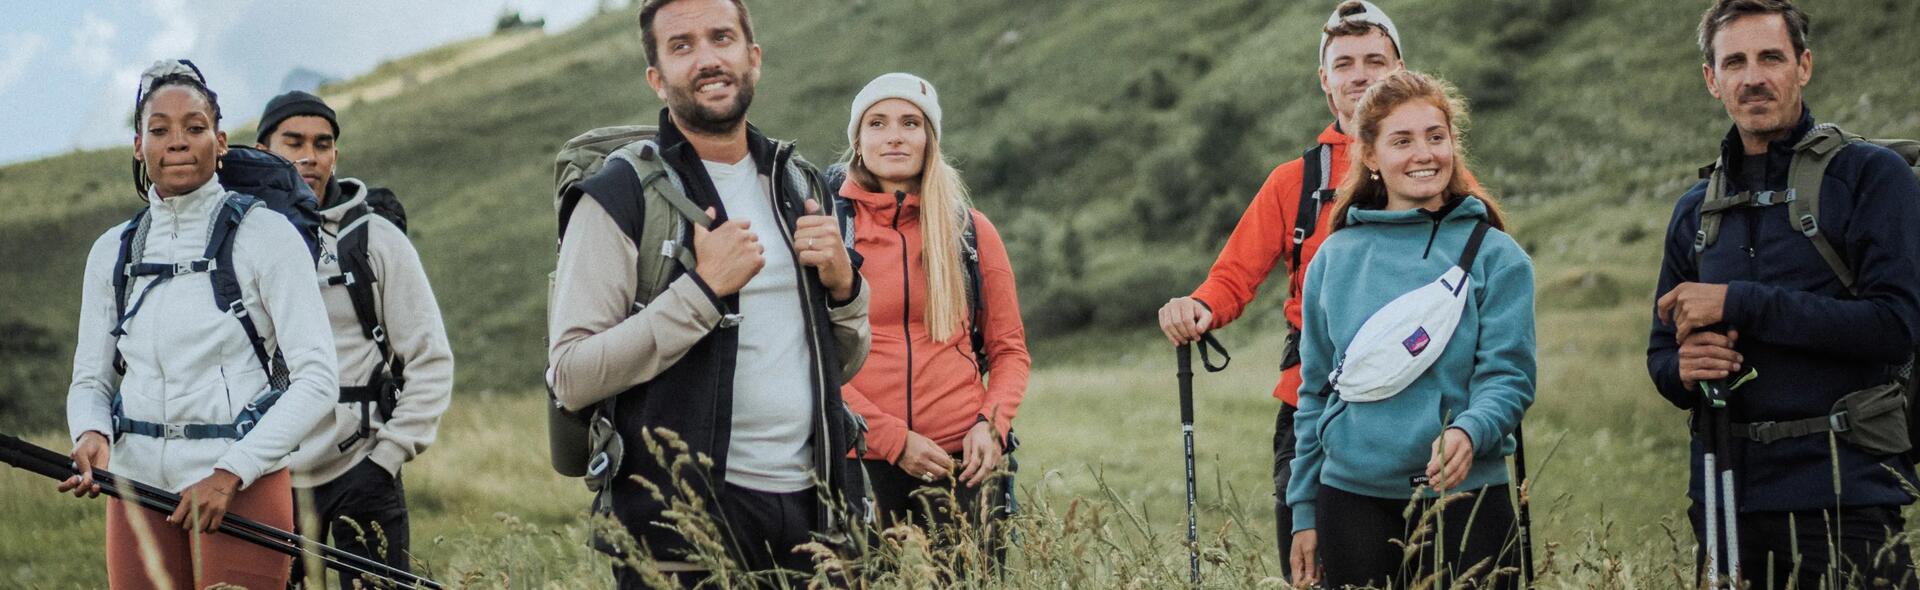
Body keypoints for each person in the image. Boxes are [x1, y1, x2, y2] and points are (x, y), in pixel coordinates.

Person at [546, 0, 871, 586]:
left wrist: (845, 288)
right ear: (656, 79)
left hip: (816, 518)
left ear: (753, 58)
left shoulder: (796, 184)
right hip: (679, 531)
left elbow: (838, 365)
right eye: (681, 46)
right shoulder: (619, 196)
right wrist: (702, 291)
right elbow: (571, 375)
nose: (707, 59)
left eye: (721, 38)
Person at [1647, 1, 1920, 587]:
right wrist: (1685, 369)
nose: (1753, 78)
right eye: (1735, 62)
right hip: (1726, 499)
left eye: (1771, 57)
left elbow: (1895, 327)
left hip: (1848, 497)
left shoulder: (1871, 177)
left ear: (1804, 65)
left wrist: (1738, 303)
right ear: (1711, 79)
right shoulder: (1695, 210)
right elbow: (1662, 359)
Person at [61, 60, 339, 590]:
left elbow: (318, 378)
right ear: (139, 146)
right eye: (159, 129)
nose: (179, 142)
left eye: (195, 127)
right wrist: (91, 431)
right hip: (137, 481)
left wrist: (233, 469)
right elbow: (92, 380)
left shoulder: (267, 237)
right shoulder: (112, 251)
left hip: (244, 480)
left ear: (221, 140)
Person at [1155, 0, 1409, 569]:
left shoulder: (1430, 168)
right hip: (1314, 398)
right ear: (1325, 80)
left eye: (1375, 59)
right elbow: (1232, 278)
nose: (1360, 74)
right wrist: (1197, 307)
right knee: (1313, 570)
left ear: (1401, 70)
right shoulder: (1295, 182)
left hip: (1419, 396)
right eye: (1344, 63)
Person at [1287, 70, 1536, 590]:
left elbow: (1508, 377)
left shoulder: (1497, 256)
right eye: (1402, 140)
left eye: (1435, 136)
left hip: (1469, 499)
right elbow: (1313, 393)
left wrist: (1470, 430)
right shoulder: (1333, 259)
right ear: (1370, 155)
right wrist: (1305, 510)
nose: (1424, 153)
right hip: (1350, 501)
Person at [257, 90, 455, 587]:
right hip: (266, 474)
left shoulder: (376, 240)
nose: (309, 156)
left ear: (335, 157)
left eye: (322, 144)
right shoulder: (240, 241)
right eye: (293, 142)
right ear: (262, 151)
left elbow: (430, 359)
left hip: (362, 471)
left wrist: (387, 459)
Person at [831, 73, 1031, 551]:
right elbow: (811, 358)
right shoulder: (830, 232)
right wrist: (893, 440)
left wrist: (992, 424)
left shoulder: (971, 232)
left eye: (910, 122)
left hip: (961, 465)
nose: (895, 135)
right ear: (859, 142)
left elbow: (1009, 350)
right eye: (877, 123)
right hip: (857, 461)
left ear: (929, 140)